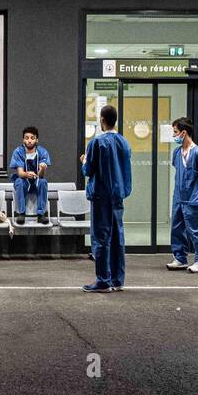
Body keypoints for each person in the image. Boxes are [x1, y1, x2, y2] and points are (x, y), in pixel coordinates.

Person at [80, 104, 131, 292]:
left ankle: (103, 280)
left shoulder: (96, 143)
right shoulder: (124, 142)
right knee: (117, 236)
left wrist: (84, 161)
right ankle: (117, 280)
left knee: (101, 238)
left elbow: (89, 170)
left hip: (101, 196)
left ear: (102, 120)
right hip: (117, 196)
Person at [166, 116, 198, 273]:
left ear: (184, 133)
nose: (174, 135)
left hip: (193, 197)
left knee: (196, 230)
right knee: (177, 228)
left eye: (175, 132)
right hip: (178, 197)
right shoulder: (177, 153)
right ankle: (180, 258)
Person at [8, 126, 51, 225]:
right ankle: (21, 213)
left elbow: (41, 175)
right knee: (19, 181)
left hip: (36, 180)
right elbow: (20, 173)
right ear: (23, 140)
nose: (29, 140)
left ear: (36, 140)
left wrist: (43, 169)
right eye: (26, 138)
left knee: (43, 182)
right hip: (24, 181)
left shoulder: (42, 152)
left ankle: (41, 214)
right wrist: (27, 174)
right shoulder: (18, 152)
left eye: (32, 138)